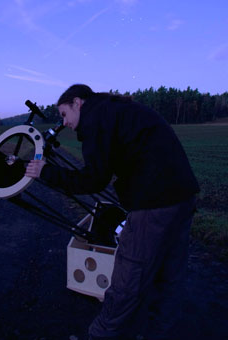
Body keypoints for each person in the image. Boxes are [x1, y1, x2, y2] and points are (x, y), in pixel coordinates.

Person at [25, 84, 200, 340]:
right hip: (182, 195)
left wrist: (45, 172)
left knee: (129, 275)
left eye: (64, 114)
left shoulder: (95, 118)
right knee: (170, 273)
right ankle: (161, 331)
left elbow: (94, 180)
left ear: (77, 102)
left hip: (154, 201)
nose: (65, 123)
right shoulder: (114, 109)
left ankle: (101, 334)